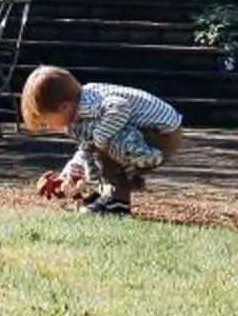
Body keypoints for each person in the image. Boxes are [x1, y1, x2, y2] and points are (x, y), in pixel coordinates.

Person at [21, 65, 182, 216]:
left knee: (103, 142)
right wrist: (71, 172)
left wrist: (99, 139)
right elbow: (85, 148)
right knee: (98, 145)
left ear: (64, 107)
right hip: (146, 134)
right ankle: (108, 193)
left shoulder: (90, 103)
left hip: (161, 134)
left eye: (47, 122)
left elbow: (120, 106)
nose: (48, 127)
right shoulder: (77, 116)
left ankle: (116, 200)